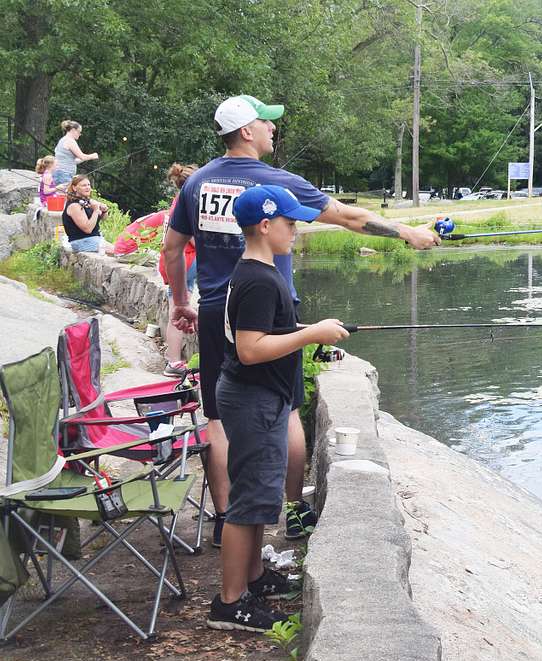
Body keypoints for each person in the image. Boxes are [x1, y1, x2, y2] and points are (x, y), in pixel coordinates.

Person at [162, 95, 441, 547]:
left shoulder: (197, 184)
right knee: (286, 410)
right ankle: (292, 512)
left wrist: (180, 301)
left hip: (217, 312)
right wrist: (408, 232)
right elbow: (349, 217)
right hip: (272, 312)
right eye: (267, 123)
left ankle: (226, 519)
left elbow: (173, 249)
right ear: (247, 131)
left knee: (216, 418)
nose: (274, 129)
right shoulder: (279, 183)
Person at [206, 184, 349, 631]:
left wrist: (311, 329)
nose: (297, 231)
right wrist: (310, 335)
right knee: (248, 502)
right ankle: (230, 604)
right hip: (253, 400)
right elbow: (250, 348)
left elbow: (265, 329)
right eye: (290, 223)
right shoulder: (259, 279)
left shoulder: (256, 272)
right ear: (265, 226)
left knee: (259, 496)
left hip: (257, 398)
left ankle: (254, 577)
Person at [157, 163, 200, 378]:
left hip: (171, 261)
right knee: (179, 311)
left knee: (175, 307)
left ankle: (172, 359)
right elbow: (192, 238)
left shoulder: (177, 202)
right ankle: (173, 361)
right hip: (185, 261)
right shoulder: (189, 204)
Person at [62, 175, 109, 253]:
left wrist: (104, 210)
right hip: (82, 242)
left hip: (94, 239)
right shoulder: (74, 206)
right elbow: (87, 229)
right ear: (74, 188)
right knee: (119, 251)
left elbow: (104, 219)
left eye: (88, 185)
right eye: (84, 185)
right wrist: (96, 210)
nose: (87, 187)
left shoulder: (87, 201)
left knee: (122, 250)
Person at [53, 120, 98, 186]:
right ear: (73, 130)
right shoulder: (70, 141)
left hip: (60, 173)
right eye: (79, 132)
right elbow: (82, 156)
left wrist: (85, 158)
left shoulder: (63, 140)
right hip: (64, 175)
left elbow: (73, 161)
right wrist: (93, 156)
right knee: (64, 195)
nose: (80, 134)